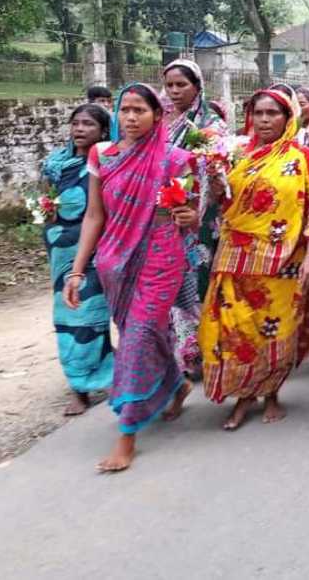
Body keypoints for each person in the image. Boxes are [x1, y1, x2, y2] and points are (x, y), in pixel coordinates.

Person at [63, 83, 195, 472]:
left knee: (137, 336)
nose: (132, 117)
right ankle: (177, 383)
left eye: (141, 110)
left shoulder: (175, 159)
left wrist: (190, 215)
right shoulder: (102, 155)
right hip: (114, 262)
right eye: (126, 110)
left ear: (158, 115)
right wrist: (77, 270)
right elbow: (94, 215)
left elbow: (189, 215)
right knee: (143, 333)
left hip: (160, 257)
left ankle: (127, 434)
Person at [198, 89, 309, 430]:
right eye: (258, 113)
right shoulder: (236, 154)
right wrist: (214, 182)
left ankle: (272, 392)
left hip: (284, 261)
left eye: (272, 113)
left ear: (287, 118)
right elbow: (225, 204)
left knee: (277, 329)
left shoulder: (302, 158)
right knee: (236, 328)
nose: (263, 120)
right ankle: (244, 395)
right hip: (235, 256)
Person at [42, 104, 114, 416]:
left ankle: (103, 377)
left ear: (103, 131)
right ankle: (79, 387)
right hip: (61, 249)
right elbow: (46, 198)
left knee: (92, 315)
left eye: (88, 124)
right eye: (76, 123)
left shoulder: (108, 162)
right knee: (67, 317)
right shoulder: (56, 163)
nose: (80, 129)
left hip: (97, 247)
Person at [161, 59, 228, 383]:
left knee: (200, 278)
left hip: (202, 216)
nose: (174, 91)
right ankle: (180, 353)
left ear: (197, 86)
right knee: (169, 281)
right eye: (170, 85)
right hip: (163, 213)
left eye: (181, 85)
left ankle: (205, 349)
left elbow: (219, 169)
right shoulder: (159, 119)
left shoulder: (210, 124)